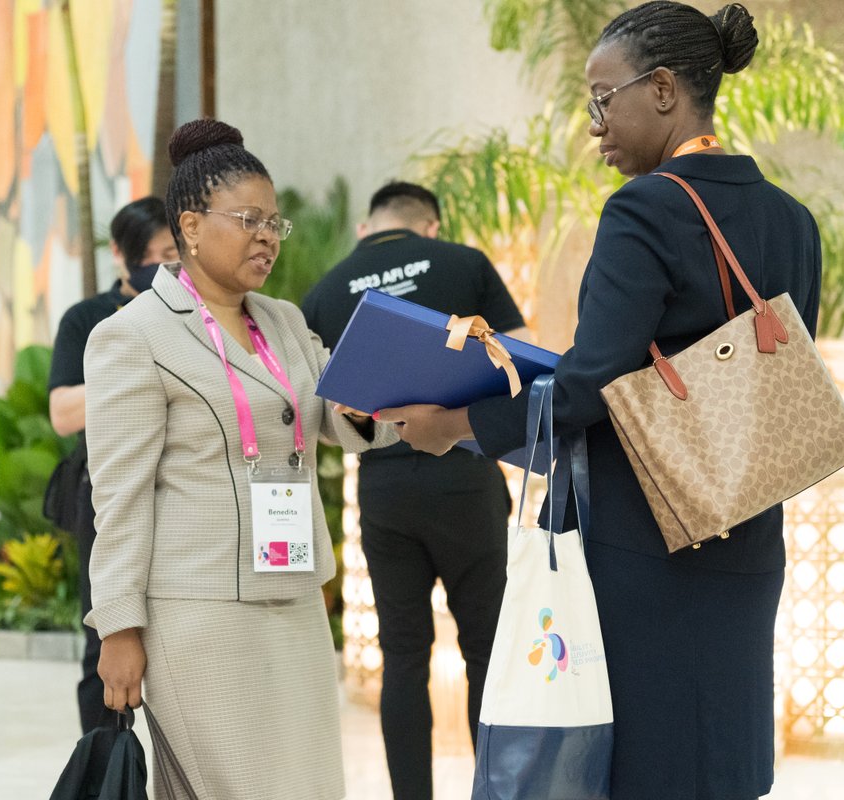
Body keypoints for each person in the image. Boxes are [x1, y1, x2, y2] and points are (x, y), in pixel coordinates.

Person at [380, 4, 820, 799]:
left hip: (646, 551)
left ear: (660, 91)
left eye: (601, 99)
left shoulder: (645, 209)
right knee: (722, 755)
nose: (594, 126)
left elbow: (593, 384)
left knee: (648, 765)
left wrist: (460, 424)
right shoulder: (794, 221)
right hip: (748, 537)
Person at [82, 118, 398, 800]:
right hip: (198, 612)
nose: (268, 237)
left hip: (293, 597)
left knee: (308, 785)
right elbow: (121, 498)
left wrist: (388, 391)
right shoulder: (131, 336)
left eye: (275, 224)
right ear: (190, 227)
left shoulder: (283, 319)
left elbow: (337, 420)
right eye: (250, 219)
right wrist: (119, 627)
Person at [301, 181, 528, 799]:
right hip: (464, 474)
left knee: (404, 655)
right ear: (430, 226)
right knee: (485, 647)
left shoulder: (324, 291)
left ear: (364, 229)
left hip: (384, 487)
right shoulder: (464, 262)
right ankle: (498, 790)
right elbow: (513, 360)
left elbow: (323, 412)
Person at [47, 196, 179, 734]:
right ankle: (107, 771)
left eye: (175, 252)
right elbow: (61, 413)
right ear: (119, 255)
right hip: (103, 493)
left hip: (176, 489)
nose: (165, 266)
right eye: (153, 255)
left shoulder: (191, 312)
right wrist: (129, 356)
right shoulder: (87, 319)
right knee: (102, 636)